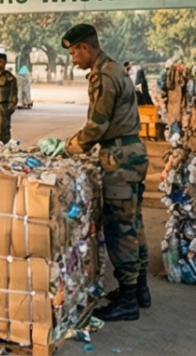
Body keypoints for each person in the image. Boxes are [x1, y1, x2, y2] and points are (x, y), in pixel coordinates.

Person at [66, 22, 151, 322]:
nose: (73, 58)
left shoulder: (103, 75)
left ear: (86, 48)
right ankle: (139, 289)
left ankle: (128, 300)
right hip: (132, 153)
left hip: (119, 159)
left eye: (75, 52)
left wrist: (68, 148)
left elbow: (96, 126)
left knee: (119, 229)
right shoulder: (115, 69)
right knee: (134, 223)